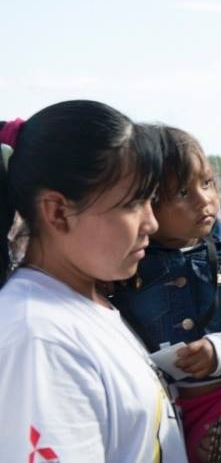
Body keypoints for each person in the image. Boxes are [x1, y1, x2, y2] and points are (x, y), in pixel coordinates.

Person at [0, 100, 187, 462]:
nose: (151, 223)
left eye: (151, 201)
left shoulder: (78, 309)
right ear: (58, 212)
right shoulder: (38, 340)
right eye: (132, 204)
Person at [111, 126, 221, 463]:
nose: (205, 199)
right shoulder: (125, 263)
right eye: (182, 193)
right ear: (147, 204)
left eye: (207, 183)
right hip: (161, 403)